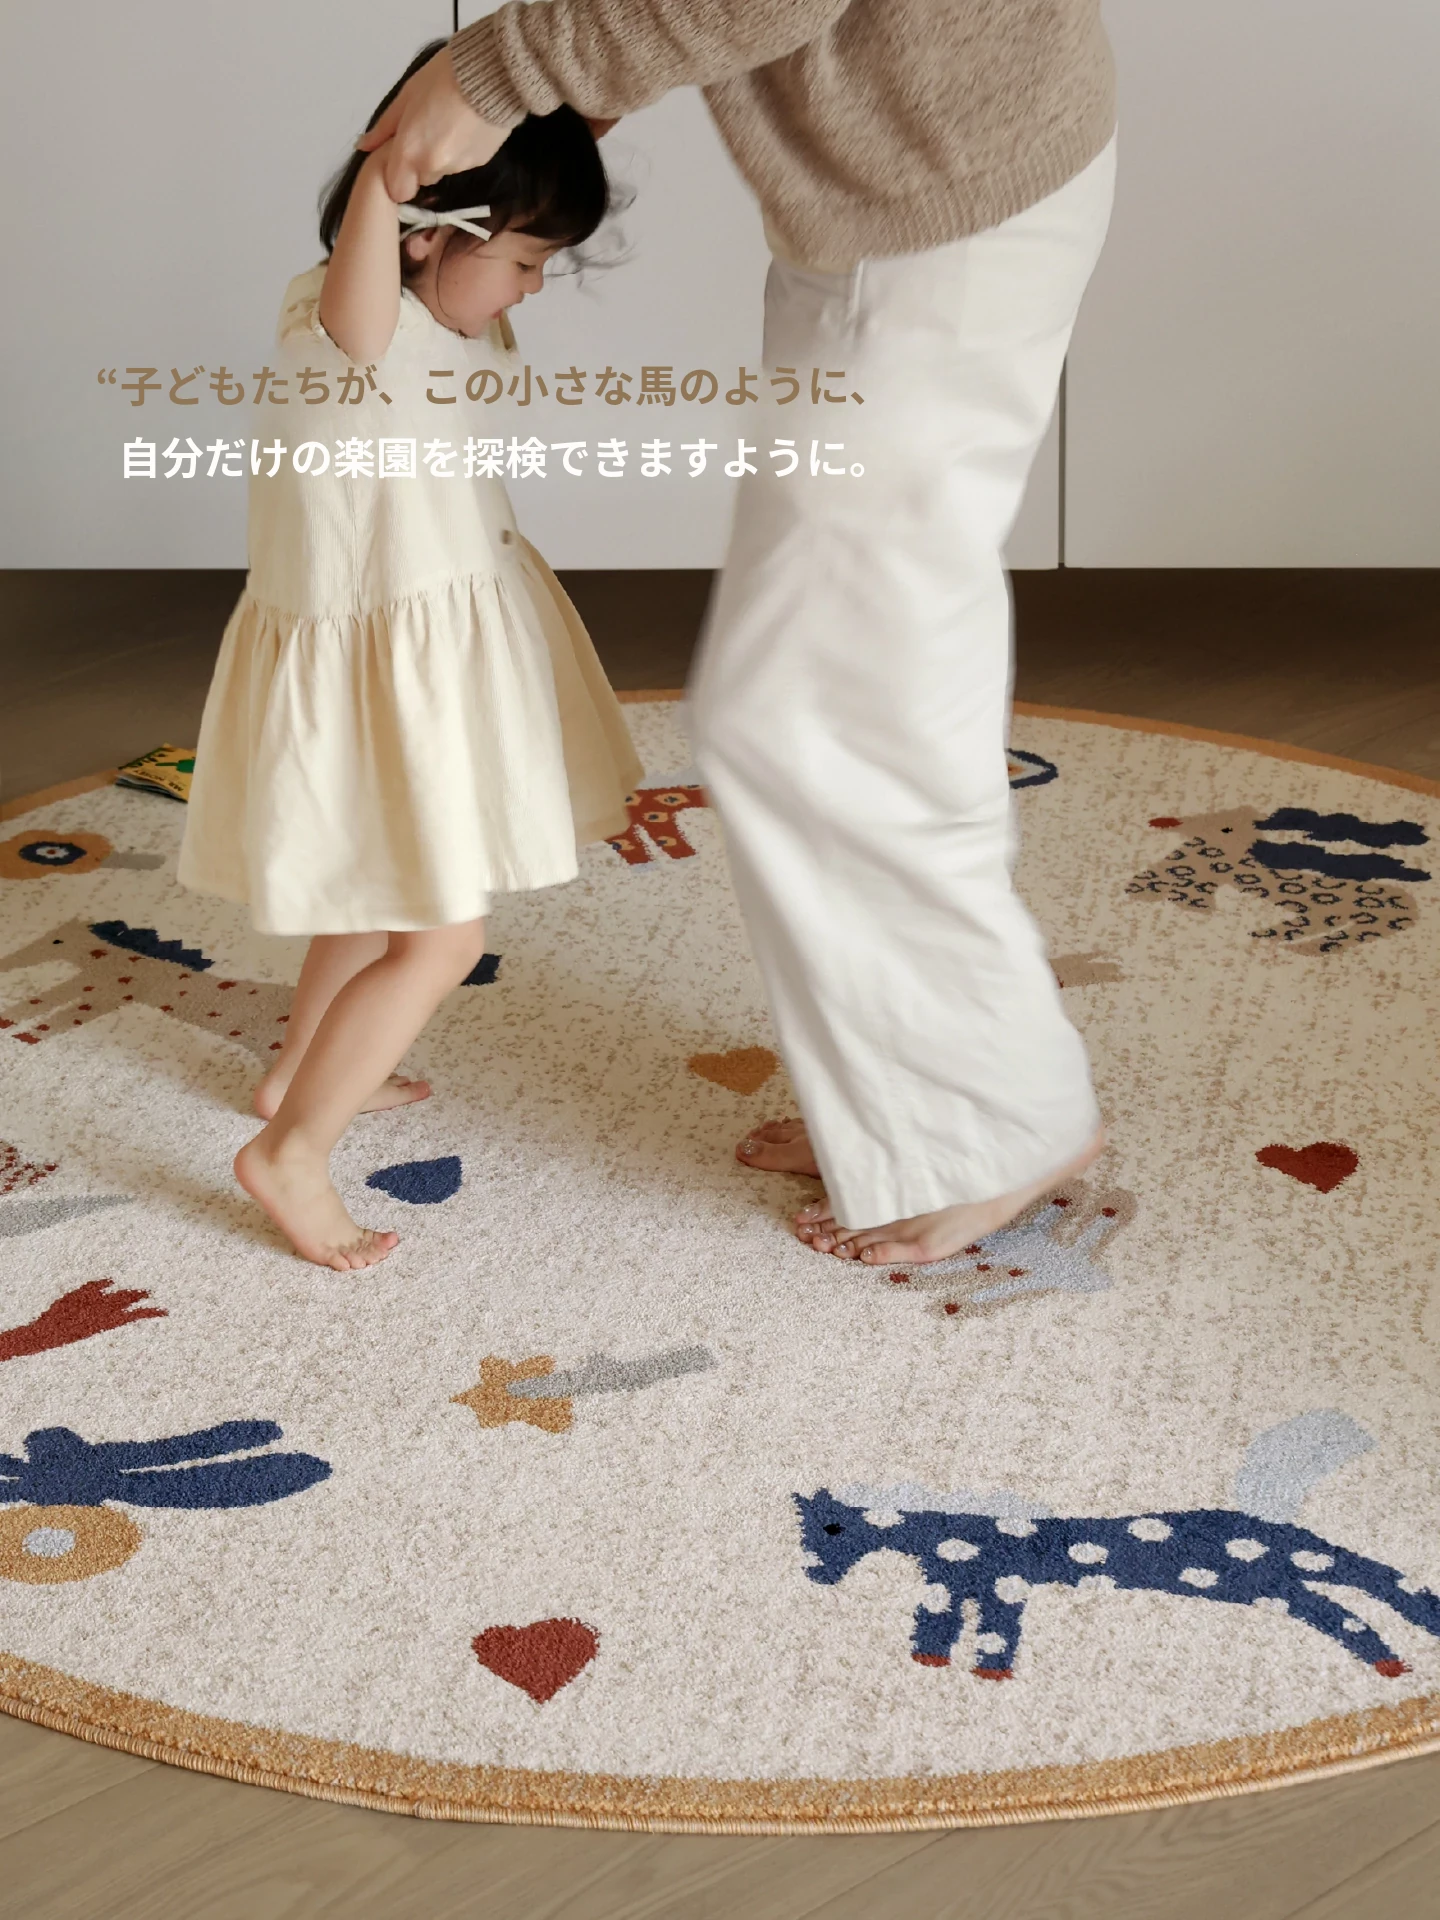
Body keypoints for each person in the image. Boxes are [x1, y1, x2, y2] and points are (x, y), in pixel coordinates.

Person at [362, 3, 1117, 1271]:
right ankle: (911, 1102)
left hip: (939, 195)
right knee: (849, 685)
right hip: (899, 188)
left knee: (829, 708)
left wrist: (507, 68)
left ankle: (993, 1124)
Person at [177, 40, 643, 1273]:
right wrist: (394, 176)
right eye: (526, 260)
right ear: (429, 234)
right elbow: (368, 284)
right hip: (386, 662)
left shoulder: (438, 316)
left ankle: (297, 1072)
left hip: (428, 635)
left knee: (376, 885)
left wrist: (558, 112)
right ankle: (293, 1152)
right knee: (440, 940)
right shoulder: (357, 327)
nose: (533, 288)